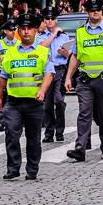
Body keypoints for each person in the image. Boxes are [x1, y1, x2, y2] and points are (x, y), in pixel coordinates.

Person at [0, 10, 54, 181]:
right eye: (23, 28)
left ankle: (32, 169)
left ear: (36, 31)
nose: (26, 31)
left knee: (33, 139)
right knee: (11, 135)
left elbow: (49, 74)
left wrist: (42, 91)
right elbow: (3, 77)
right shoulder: (11, 52)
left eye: (30, 28)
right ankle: (13, 168)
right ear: (18, 31)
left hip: (34, 103)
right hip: (13, 102)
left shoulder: (43, 52)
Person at [65, 0, 103, 163]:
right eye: (92, 10)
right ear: (88, 13)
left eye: (98, 10)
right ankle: (80, 148)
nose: (95, 13)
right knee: (84, 113)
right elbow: (76, 56)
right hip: (85, 80)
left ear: (102, 13)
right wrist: (68, 76)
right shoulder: (80, 32)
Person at [39, 9, 71, 143]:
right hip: (47, 72)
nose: (50, 21)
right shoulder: (41, 36)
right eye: (47, 18)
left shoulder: (64, 36)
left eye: (52, 18)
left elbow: (70, 55)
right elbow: (42, 47)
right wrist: (53, 35)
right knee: (47, 105)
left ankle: (59, 131)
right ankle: (49, 132)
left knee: (59, 101)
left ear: (56, 20)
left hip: (60, 70)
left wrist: (64, 53)